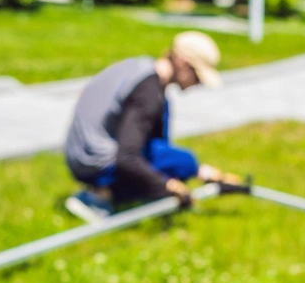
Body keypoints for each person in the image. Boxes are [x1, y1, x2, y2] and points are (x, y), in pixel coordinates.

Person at [64, 31, 236, 221]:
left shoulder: (141, 68)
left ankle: (104, 192)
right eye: (197, 75)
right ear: (182, 62)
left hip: (79, 154)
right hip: (94, 162)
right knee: (184, 162)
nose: (198, 84)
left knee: (173, 148)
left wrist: (202, 173)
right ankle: (98, 198)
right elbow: (127, 157)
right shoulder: (148, 94)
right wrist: (167, 186)